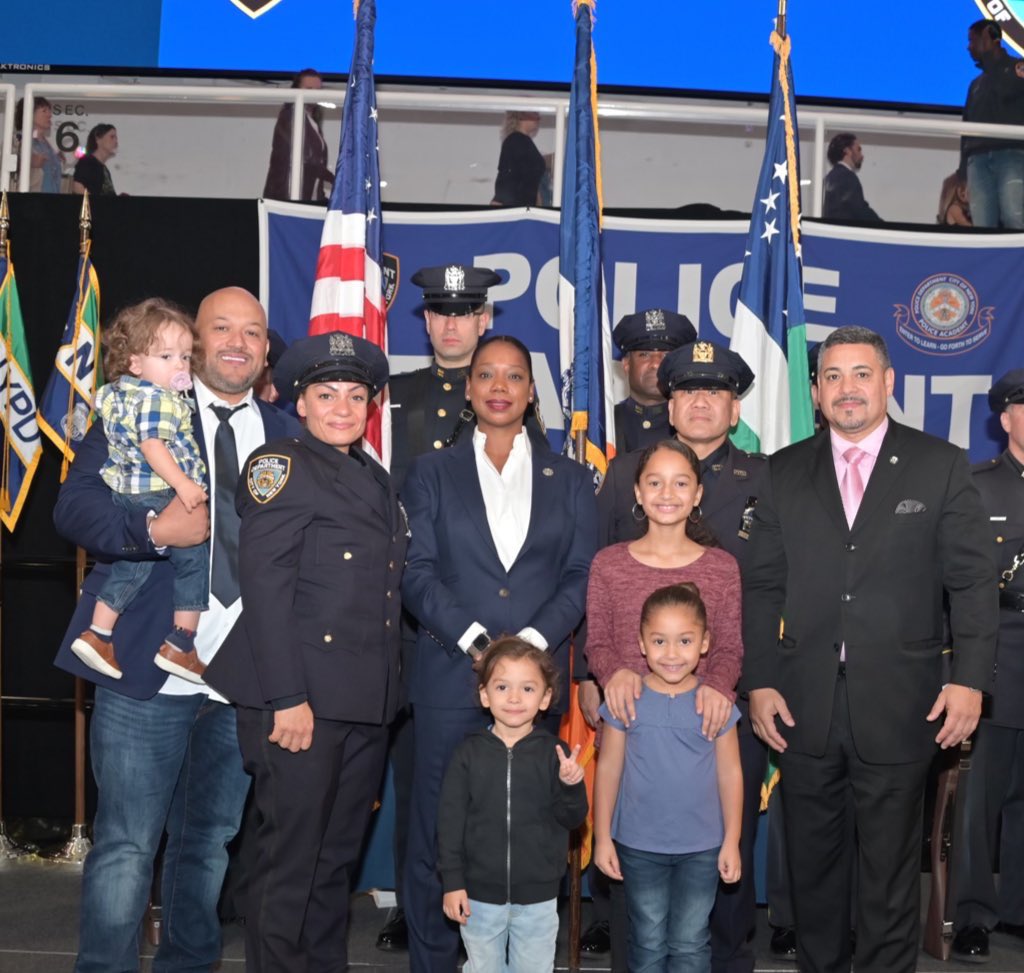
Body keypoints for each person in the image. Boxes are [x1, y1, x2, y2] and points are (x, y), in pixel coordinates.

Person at [52, 286, 298, 972]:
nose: (237, 343)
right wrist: (153, 529)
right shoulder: (143, 399)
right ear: (194, 337)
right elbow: (74, 507)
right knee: (128, 843)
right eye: (222, 327)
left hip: (240, 671)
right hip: (141, 661)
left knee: (210, 841)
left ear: (266, 348)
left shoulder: (288, 433)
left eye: (253, 332)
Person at [741, 325, 998, 973]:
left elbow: (970, 582)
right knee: (816, 881)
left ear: (889, 382)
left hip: (902, 702)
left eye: (861, 374)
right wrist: (761, 681)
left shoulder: (938, 464)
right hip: (802, 706)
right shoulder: (782, 469)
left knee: (887, 881)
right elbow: (761, 585)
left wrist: (969, 679)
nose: (847, 388)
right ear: (816, 390)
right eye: (833, 376)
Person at [204, 331, 404, 972]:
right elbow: (263, 592)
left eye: (355, 395)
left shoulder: (371, 474)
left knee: (334, 861)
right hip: (298, 704)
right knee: (289, 863)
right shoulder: (283, 466)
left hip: (359, 701)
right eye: (326, 394)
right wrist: (288, 699)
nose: (342, 408)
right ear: (300, 402)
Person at [401, 333, 597, 973]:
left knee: (531, 829)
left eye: (514, 375)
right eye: (486, 374)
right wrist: (481, 645)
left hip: (536, 689)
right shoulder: (430, 472)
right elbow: (416, 570)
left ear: (531, 391)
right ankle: (433, 962)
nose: (500, 386)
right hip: (449, 677)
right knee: (439, 829)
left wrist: (531, 650)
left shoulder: (569, 478)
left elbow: (580, 575)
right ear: (469, 387)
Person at [595, 340, 769, 973]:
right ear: (638, 493)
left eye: (715, 390)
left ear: (696, 495)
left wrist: (719, 684)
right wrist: (609, 672)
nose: (666, 494)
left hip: (706, 717)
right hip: (632, 717)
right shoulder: (613, 556)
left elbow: (733, 632)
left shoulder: (726, 552)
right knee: (639, 903)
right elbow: (602, 631)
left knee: (715, 872)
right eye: (654, 485)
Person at [373, 261, 503, 953]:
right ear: (423, 321)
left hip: (483, 627)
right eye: (439, 313)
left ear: (486, 320)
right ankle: (410, 901)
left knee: (481, 783)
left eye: (465, 312)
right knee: (413, 775)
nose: (451, 324)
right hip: (404, 621)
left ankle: (480, 909)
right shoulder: (390, 398)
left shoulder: (508, 400)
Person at [594, 582, 743, 973]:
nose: (672, 654)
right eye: (659, 641)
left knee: (691, 943)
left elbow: (730, 774)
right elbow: (608, 769)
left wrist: (731, 841)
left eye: (684, 641)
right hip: (639, 846)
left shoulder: (716, 706)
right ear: (641, 643)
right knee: (646, 941)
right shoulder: (626, 702)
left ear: (705, 643)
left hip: (703, 848)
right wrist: (602, 838)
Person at [70, 300, 210, 685]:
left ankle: (98, 633)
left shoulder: (118, 394)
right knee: (194, 558)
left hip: (130, 494)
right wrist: (183, 486)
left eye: (184, 356)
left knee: (132, 568)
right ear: (134, 362)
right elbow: (153, 445)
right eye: (166, 356)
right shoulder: (158, 398)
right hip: (160, 492)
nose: (180, 366)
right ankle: (182, 643)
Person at [438, 637, 589, 973]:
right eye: (503, 686)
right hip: (478, 897)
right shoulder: (468, 754)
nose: (515, 698)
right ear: (484, 694)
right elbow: (449, 825)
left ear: (546, 697)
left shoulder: (555, 754)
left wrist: (571, 785)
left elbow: (574, 818)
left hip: (538, 899)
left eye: (528, 688)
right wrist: (452, 883)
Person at [950, 368, 1024, 962]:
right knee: (980, 801)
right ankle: (972, 914)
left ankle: (1019, 909)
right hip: (998, 656)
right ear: (1005, 420)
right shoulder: (976, 488)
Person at [963, 19, 1024, 229]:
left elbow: (1007, 90)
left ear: (988, 37)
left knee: (1014, 217)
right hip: (977, 162)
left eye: (972, 40)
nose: (968, 47)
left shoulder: (1018, 68)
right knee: (982, 227)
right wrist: (962, 171)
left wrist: (991, 58)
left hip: (1012, 156)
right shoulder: (975, 85)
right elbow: (966, 128)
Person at [612, 309, 697, 454]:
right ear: (626, 364)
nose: (656, 364)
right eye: (644, 354)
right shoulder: (604, 425)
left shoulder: (697, 424)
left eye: (665, 355)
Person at [263, 68, 334, 202]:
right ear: (296, 90)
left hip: (304, 201)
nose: (314, 94)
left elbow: (313, 170)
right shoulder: (290, 116)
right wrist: (335, 179)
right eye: (308, 88)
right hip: (286, 200)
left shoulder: (311, 121)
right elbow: (306, 160)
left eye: (317, 90)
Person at [822, 133, 882, 223]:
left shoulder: (830, 177)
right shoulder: (846, 177)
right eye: (858, 150)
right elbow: (860, 210)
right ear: (847, 151)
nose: (862, 155)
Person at [491, 111, 547, 207]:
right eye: (534, 113)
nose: (538, 118)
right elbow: (507, 174)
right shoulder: (515, 140)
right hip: (516, 205)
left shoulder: (523, 141)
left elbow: (530, 178)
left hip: (522, 204)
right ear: (521, 116)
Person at [15, 96, 63, 193]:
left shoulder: (50, 144)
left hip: (53, 201)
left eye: (49, 111)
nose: (50, 115)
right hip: (30, 201)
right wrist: (28, 161)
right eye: (44, 111)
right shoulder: (17, 139)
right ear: (29, 114)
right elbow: (10, 167)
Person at [73, 124, 119, 196]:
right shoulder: (86, 162)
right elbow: (77, 187)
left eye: (116, 138)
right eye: (112, 137)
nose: (116, 141)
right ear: (98, 139)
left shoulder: (104, 169)